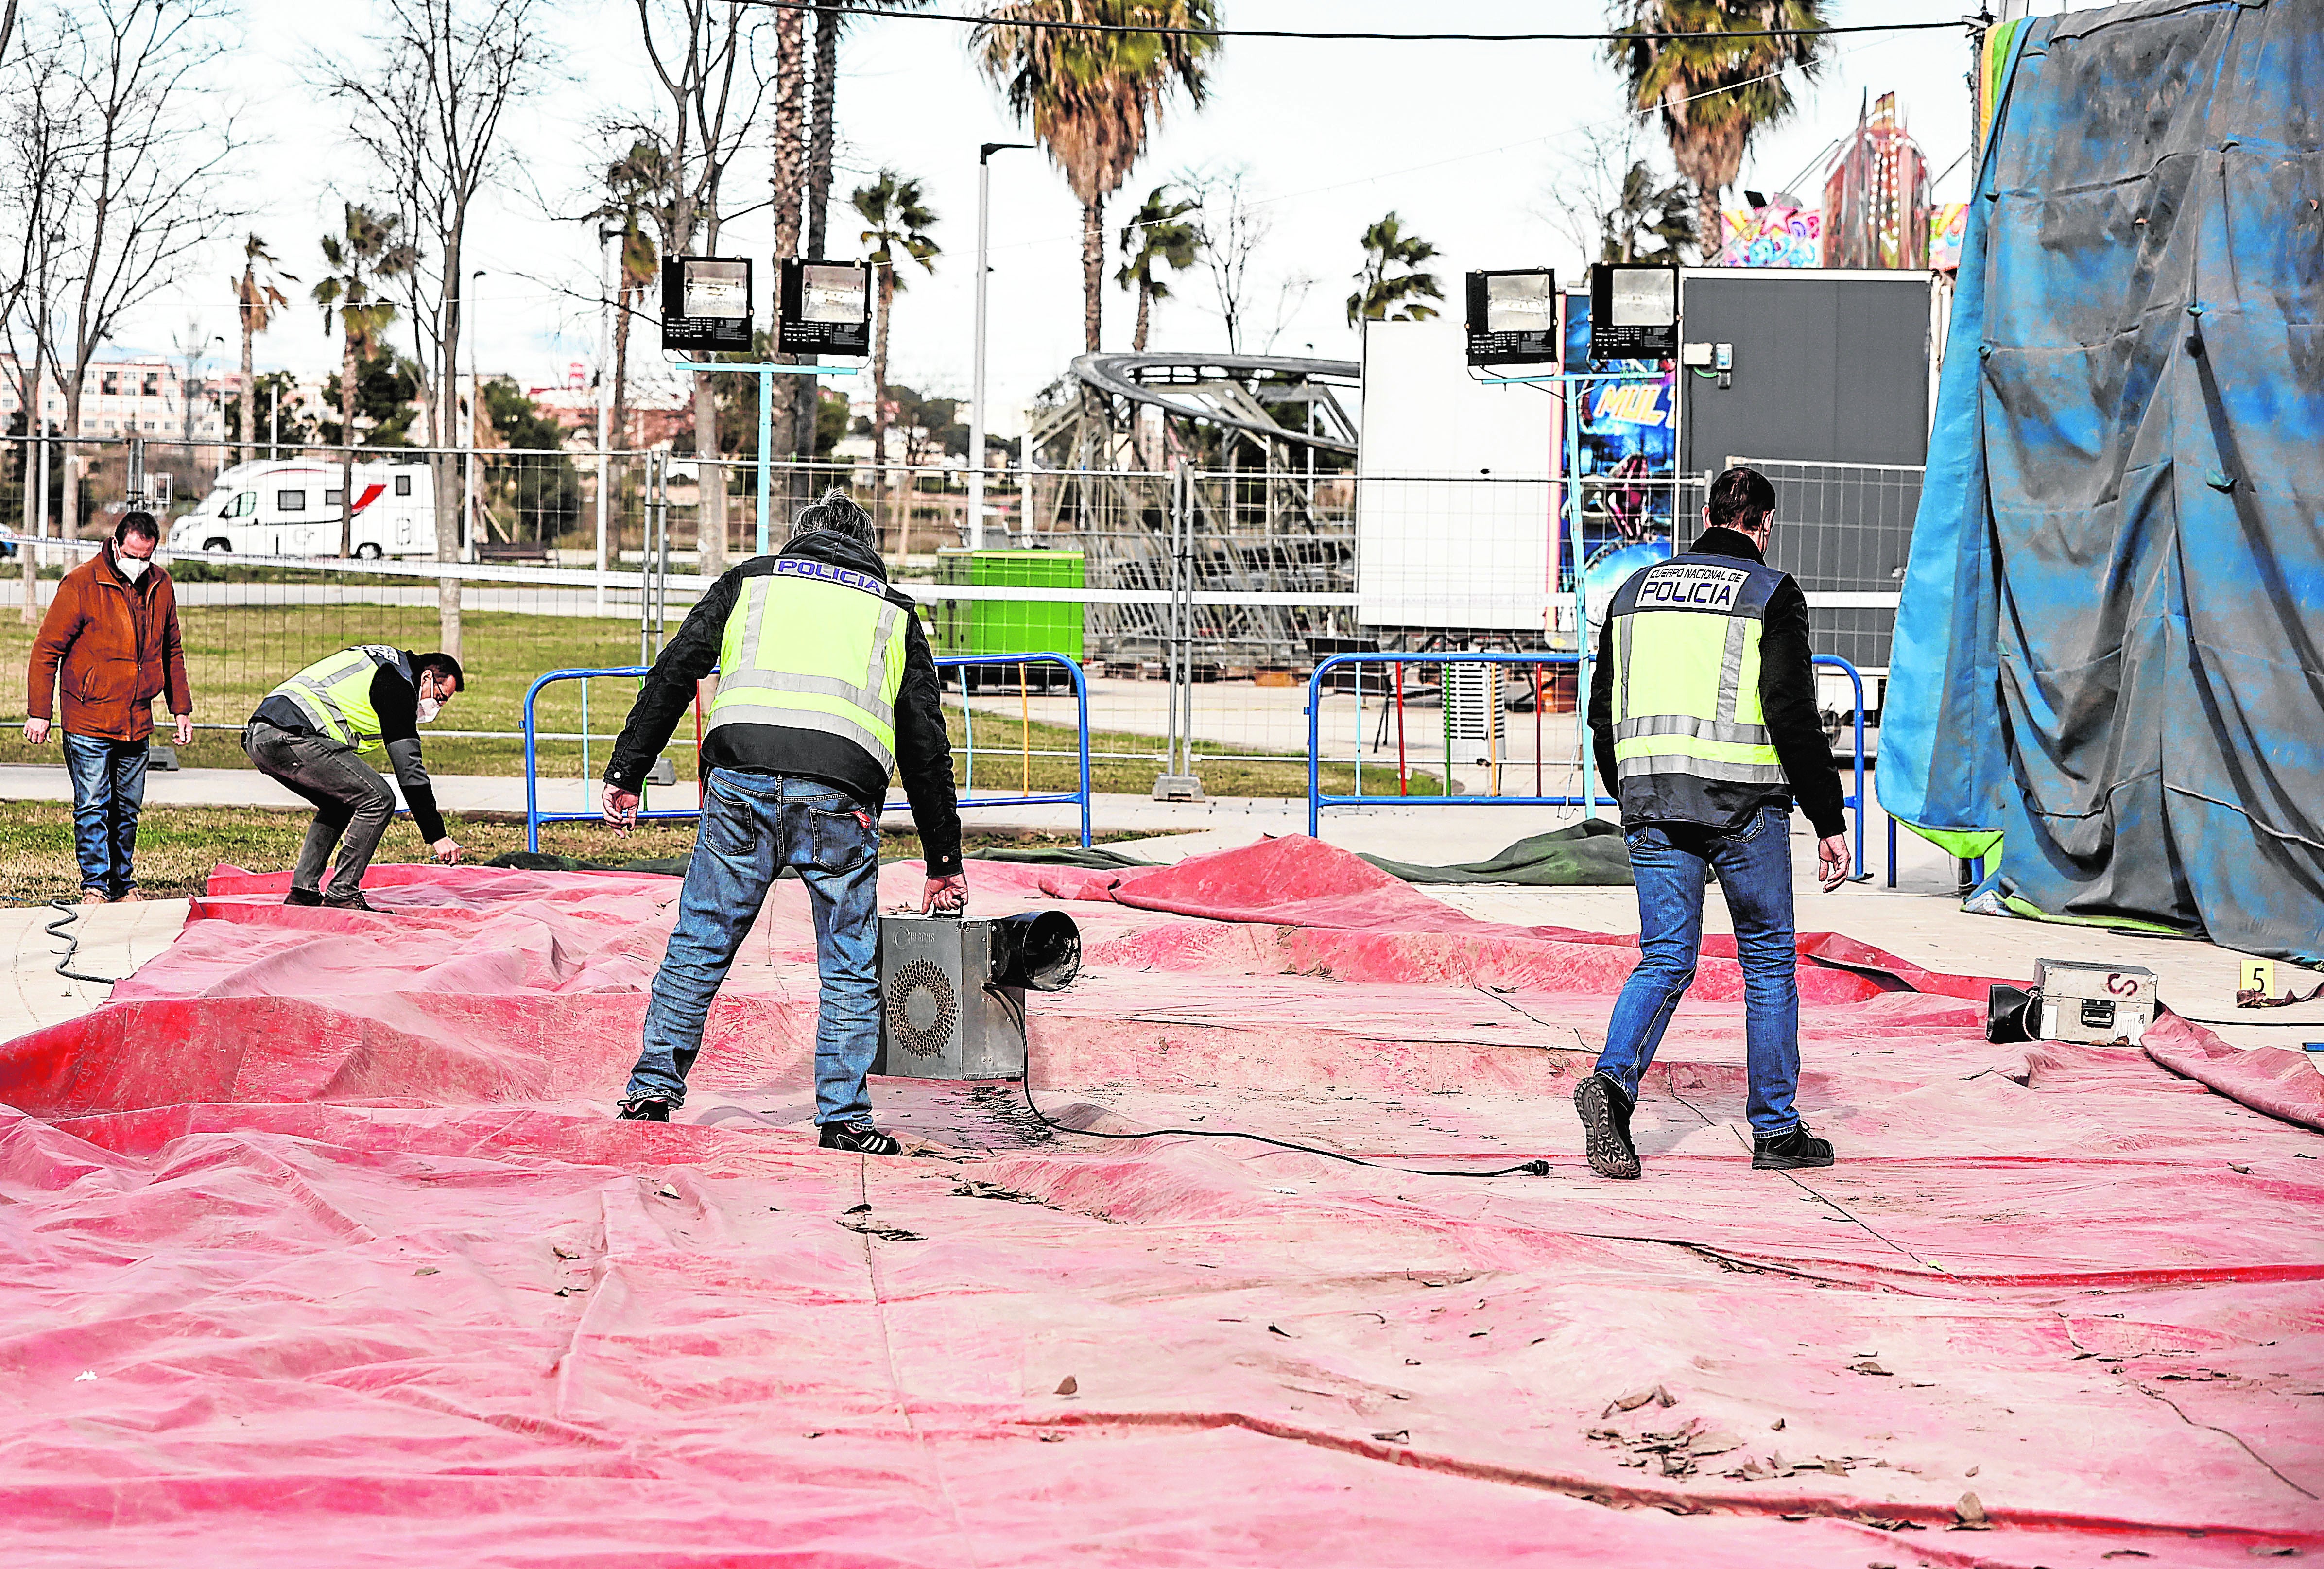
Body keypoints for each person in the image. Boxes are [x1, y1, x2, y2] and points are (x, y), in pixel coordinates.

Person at [601, 487, 964, 1153]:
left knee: (700, 941)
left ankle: (652, 1088)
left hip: (739, 779)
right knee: (849, 964)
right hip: (841, 795)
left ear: (801, 536)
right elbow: (924, 745)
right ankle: (845, 1122)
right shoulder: (892, 612)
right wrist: (943, 861)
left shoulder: (752, 581)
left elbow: (676, 668)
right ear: (868, 547)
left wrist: (628, 770)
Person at [1575, 466, 1852, 1180]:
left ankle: (1610, 1084)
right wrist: (1829, 816)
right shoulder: (1769, 592)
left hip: (1652, 803)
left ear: (1703, 514)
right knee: (1764, 962)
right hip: (1742, 811)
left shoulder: (1634, 591)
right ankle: (1774, 1132)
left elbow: (1601, 703)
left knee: (1665, 958)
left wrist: (1626, 786)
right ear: (1763, 525)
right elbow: (1789, 709)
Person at [25, 511, 193, 904]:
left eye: (147, 556)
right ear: (117, 546)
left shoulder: (161, 585)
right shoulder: (82, 584)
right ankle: (95, 885)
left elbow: (172, 650)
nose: (140, 563)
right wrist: (40, 711)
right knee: (93, 805)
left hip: (136, 718)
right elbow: (47, 649)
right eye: (133, 554)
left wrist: (180, 708)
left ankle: (123, 883)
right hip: (88, 715)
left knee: (127, 809)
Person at [244, 647, 465, 910]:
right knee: (379, 799)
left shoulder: (386, 665)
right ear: (427, 677)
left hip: (263, 735)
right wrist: (436, 835)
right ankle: (342, 893)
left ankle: (303, 893)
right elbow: (409, 769)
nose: (437, 707)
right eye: (440, 698)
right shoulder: (397, 683)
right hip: (291, 734)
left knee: (340, 801)